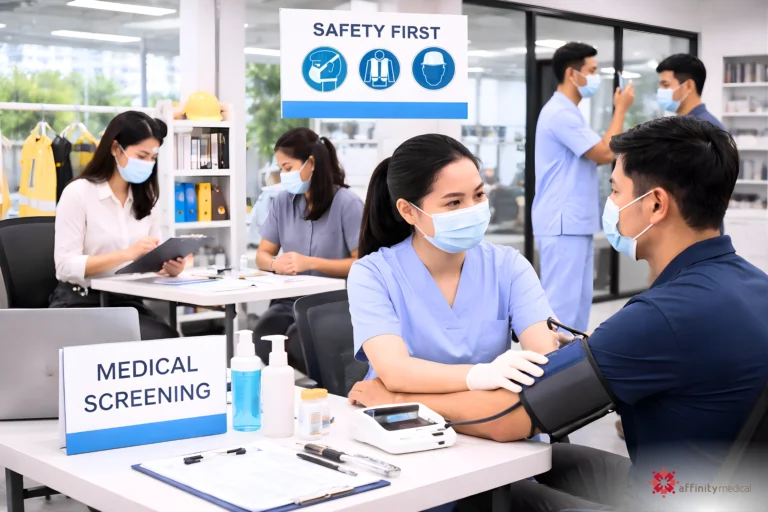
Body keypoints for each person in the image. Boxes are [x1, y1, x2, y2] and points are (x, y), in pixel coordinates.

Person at [350, 117, 768, 511]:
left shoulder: (657, 316)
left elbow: (510, 416)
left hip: (670, 492)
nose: (609, 204)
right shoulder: (754, 286)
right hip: (727, 487)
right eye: (454, 201)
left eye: (616, 191)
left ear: (655, 205)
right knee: (558, 461)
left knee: (486, 498)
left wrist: (396, 399)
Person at [348, 133, 564, 399]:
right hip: (402, 423)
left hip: (489, 422)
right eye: (454, 202)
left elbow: (545, 360)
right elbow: (395, 372)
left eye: (478, 194)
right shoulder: (373, 274)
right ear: (408, 211)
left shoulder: (509, 266)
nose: (472, 209)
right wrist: (480, 375)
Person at [50, 111, 182, 340]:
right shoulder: (78, 193)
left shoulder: (148, 197)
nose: (148, 164)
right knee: (155, 339)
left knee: (168, 339)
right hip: (80, 301)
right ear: (114, 148)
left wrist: (167, 267)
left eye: (152, 158)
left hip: (127, 300)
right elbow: (64, 265)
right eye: (141, 156)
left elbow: (148, 257)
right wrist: (126, 254)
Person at [533, 42, 635, 333]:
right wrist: (621, 109)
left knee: (577, 306)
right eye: (591, 70)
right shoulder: (560, 114)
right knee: (561, 309)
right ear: (571, 73)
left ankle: (571, 368)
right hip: (562, 222)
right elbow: (605, 153)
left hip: (573, 223)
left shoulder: (571, 112)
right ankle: (552, 371)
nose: (595, 76)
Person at [253, 128, 363, 371]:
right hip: (290, 300)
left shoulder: (347, 203)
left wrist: (310, 263)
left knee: (298, 340)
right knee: (263, 338)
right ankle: (301, 386)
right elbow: (261, 255)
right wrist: (274, 264)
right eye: (281, 168)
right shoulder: (283, 202)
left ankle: (328, 386)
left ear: (310, 163)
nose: (283, 175)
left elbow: (362, 264)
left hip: (333, 300)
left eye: (288, 168)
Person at [656, 53, 725, 130]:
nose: (660, 90)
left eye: (666, 85)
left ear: (688, 86)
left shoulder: (704, 129)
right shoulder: (682, 124)